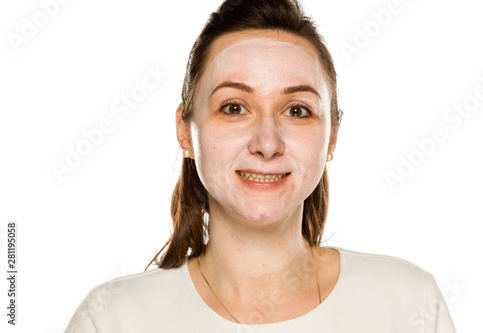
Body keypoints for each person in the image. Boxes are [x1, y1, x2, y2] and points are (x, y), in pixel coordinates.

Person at [65, 0, 457, 331]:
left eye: (297, 110)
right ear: (186, 132)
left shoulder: (408, 306)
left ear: (332, 136)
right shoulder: (113, 319)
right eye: (234, 108)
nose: (267, 143)